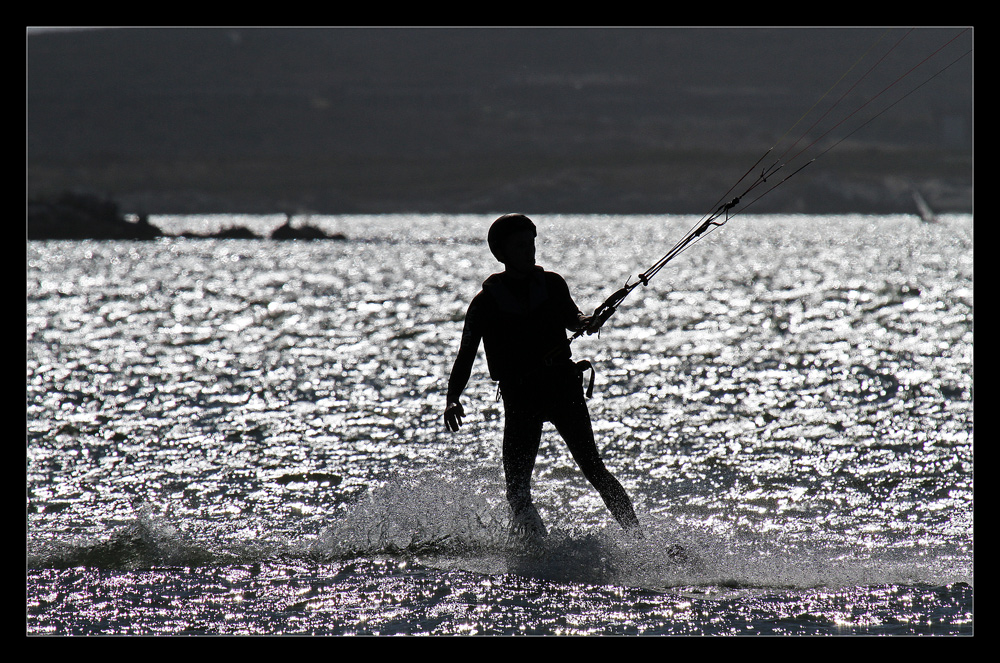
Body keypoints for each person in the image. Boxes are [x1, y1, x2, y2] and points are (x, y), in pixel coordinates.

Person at [443, 213, 641, 540]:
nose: (529, 251)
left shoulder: (552, 284)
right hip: (522, 398)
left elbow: (573, 317)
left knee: (594, 469)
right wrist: (452, 399)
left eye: (531, 244)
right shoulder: (485, 303)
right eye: (520, 246)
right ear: (502, 253)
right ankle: (535, 550)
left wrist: (587, 321)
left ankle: (638, 538)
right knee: (517, 490)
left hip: (561, 387)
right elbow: (465, 356)